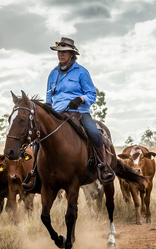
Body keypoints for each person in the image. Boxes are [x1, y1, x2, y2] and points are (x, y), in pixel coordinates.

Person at [46, 37, 113, 183]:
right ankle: (34, 171)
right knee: (40, 136)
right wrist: (48, 110)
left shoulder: (82, 72)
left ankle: (103, 165)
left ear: (71, 54)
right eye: (59, 52)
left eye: (64, 52)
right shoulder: (53, 74)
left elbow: (92, 94)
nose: (60, 55)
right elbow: (49, 95)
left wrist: (81, 99)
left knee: (94, 132)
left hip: (79, 112)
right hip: (57, 113)